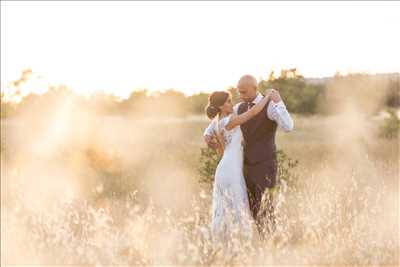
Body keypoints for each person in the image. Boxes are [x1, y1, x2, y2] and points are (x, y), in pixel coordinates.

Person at [204, 75, 294, 241]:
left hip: (263, 165)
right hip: (240, 168)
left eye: (243, 92)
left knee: (265, 208)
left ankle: (268, 244)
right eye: (238, 93)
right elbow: (213, 126)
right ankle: (244, 245)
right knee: (248, 209)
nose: (240, 96)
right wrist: (209, 139)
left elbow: (288, 126)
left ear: (254, 88)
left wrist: (277, 101)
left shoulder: (270, 106)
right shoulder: (237, 109)